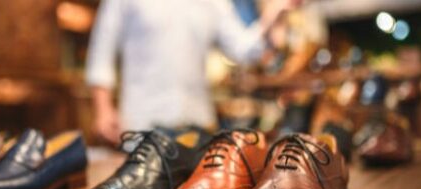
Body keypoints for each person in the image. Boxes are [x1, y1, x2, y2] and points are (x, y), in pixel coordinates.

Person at [86, 0, 292, 144]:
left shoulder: (214, 2)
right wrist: (103, 109)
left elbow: (244, 49)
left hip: (198, 124)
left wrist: (274, 13)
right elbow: (101, 50)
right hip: (142, 124)